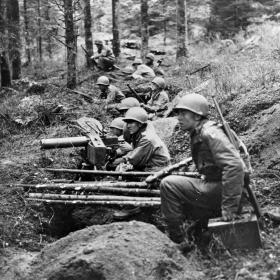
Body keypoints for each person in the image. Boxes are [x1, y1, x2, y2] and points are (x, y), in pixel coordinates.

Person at [160, 93, 245, 251]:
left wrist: (229, 207)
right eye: (178, 113)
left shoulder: (208, 133)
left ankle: (178, 241)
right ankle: (198, 229)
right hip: (221, 185)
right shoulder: (202, 131)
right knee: (179, 182)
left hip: (225, 189)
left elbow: (234, 166)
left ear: (197, 116)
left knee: (168, 185)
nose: (179, 118)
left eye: (183, 113)